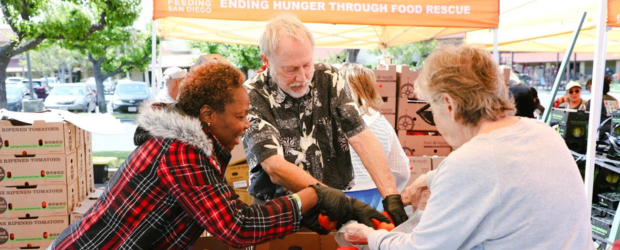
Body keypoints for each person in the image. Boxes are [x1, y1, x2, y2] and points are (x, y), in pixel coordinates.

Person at [49, 63, 388, 249]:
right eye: (241, 117)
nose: (246, 126)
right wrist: (311, 196)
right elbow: (237, 227)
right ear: (209, 114)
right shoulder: (181, 152)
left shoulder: (193, 147)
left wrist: (299, 215)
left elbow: (225, 207)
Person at [344, 45, 593, 249]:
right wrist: (428, 179)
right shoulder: (542, 132)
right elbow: (505, 174)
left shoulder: (472, 161)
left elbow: (420, 248)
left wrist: (371, 237)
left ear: (449, 105)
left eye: (432, 110)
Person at [242, 14, 408, 227]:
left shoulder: (329, 77)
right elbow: (274, 166)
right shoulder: (253, 95)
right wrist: (340, 202)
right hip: (278, 211)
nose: (302, 77)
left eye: (306, 64)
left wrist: (390, 195)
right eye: (290, 69)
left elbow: (360, 135)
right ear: (266, 60)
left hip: (333, 208)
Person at [339, 63, 410, 210]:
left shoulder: (328, 122)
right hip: (375, 198)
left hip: (336, 199)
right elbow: (402, 171)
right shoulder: (381, 123)